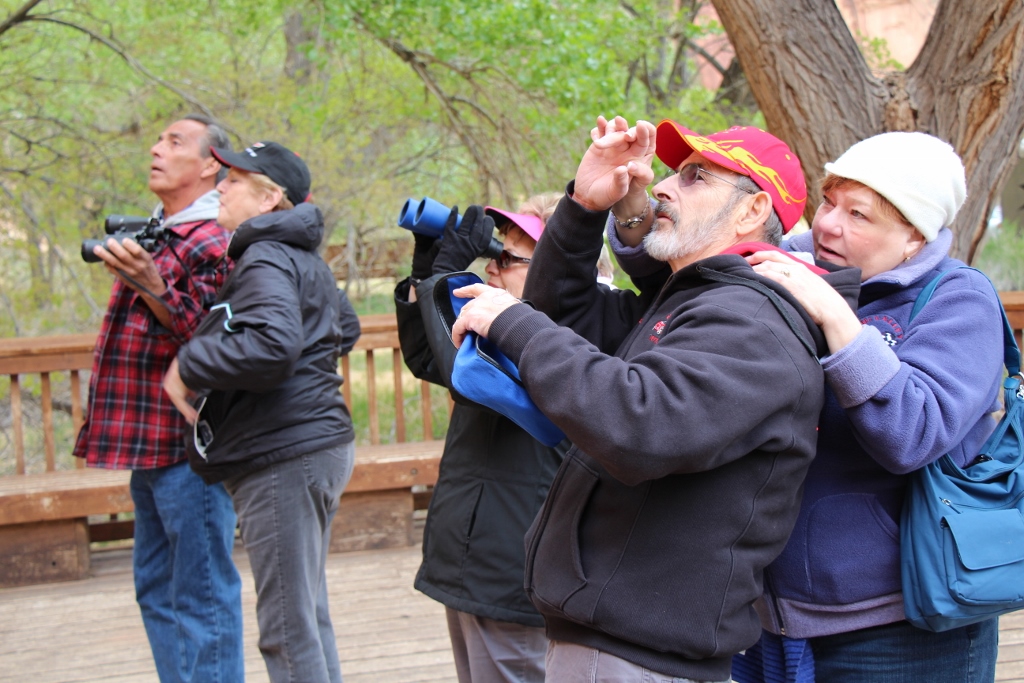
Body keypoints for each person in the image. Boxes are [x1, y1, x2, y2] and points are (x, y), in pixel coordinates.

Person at [447, 116, 861, 682]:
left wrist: (516, 324)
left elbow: (640, 426)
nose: (662, 186)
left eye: (694, 177)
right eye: (672, 172)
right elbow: (566, 315)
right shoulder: (692, 302)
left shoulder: (751, 321)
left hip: (639, 654)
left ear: (752, 211)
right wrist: (584, 207)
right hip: (614, 639)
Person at [739, 132, 1004, 681]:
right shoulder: (795, 265)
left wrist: (838, 320)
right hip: (766, 615)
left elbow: (914, 433)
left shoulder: (959, 299)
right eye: (829, 202)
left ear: (914, 236)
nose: (828, 225)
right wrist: (632, 217)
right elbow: (700, 264)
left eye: (858, 215)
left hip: (900, 624)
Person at [162, 141, 358, 683]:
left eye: (233, 181)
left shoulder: (266, 256)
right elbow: (344, 326)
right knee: (306, 616)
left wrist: (190, 363)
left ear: (270, 198)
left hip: (283, 453)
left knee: (287, 631)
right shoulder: (299, 256)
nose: (219, 187)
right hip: (315, 444)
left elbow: (273, 346)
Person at [74, 114, 243, 683]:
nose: (156, 149)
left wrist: (153, 286)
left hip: (187, 448)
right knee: (156, 589)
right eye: (158, 140)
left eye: (175, 142)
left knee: (202, 597)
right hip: (148, 444)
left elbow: (211, 343)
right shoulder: (163, 231)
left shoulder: (214, 238)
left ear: (210, 164)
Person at [395, 193, 565, 683]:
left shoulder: (557, 335)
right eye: (495, 254)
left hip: (512, 567)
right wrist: (426, 268)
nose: (492, 266)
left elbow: (469, 379)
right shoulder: (505, 327)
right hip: (474, 556)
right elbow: (428, 359)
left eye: (507, 258)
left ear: (557, 265)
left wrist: (442, 278)